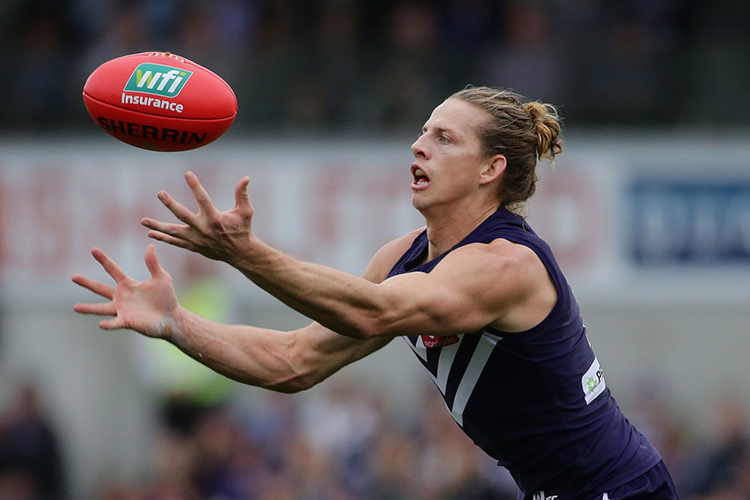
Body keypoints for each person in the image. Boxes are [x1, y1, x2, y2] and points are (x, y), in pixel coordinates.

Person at [72, 86, 679, 499]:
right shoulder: (403, 257)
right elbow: (292, 362)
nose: (418, 146)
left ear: (491, 169)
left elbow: (376, 313)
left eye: (445, 139)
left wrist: (245, 254)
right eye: (422, 133)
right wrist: (176, 323)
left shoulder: (506, 264)